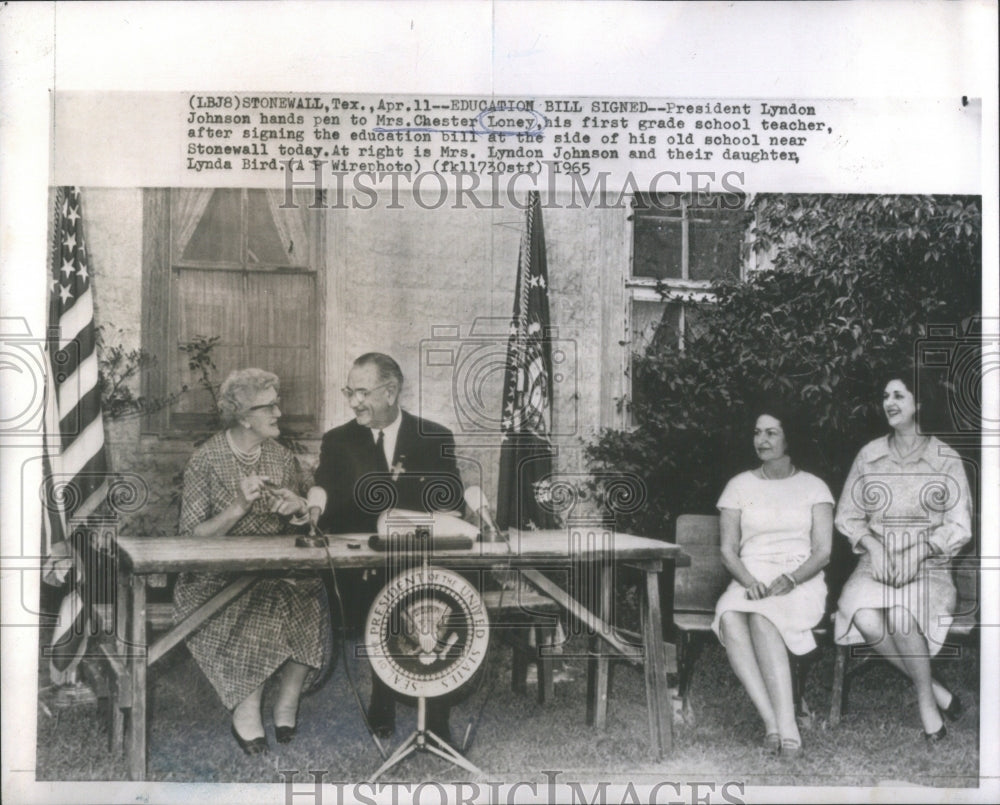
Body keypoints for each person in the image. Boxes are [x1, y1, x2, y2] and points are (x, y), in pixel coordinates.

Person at [308, 352, 464, 745]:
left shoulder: (435, 437)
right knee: (387, 594)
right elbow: (324, 497)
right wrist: (312, 509)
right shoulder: (338, 441)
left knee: (441, 597)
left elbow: (452, 504)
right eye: (349, 392)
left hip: (421, 559)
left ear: (391, 392)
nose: (354, 402)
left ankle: (437, 713)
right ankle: (383, 694)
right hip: (363, 566)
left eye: (362, 392)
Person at [174, 368, 331, 755]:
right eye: (269, 406)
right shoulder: (206, 460)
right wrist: (237, 507)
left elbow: (303, 509)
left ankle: (287, 701)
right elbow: (191, 539)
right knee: (260, 600)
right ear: (244, 417)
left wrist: (298, 508)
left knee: (308, 591)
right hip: (214, 576)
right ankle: (246, 708)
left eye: (278, 403)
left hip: (271, 566)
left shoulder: (280, 457)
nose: (279, 413)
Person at [834, 372, 972, 742]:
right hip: (876, 565)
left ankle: (927, 705)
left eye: (899, 395)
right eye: (885, 396)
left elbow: (960, 524)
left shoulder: (945, 458)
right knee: (863, 614)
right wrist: (873, 545)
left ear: (919, 402)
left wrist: (922, 549)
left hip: (929, 567)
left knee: (899, 614)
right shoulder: (870, 455)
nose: (889, 403)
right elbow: (847, 515)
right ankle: (937, 691)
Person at [712, 402, 833, 757]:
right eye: (757, 433)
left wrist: (793, 579)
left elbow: (823, 552)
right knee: (730, 616)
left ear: (789, 438)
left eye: (771, 433)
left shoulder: (814, 487)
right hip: (749, 577)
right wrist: (748, 581)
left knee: (764, 618)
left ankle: (789, 726)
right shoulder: (738, 486)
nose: (761, 440)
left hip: (801, 579)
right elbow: (728, 551)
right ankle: (772, 723)